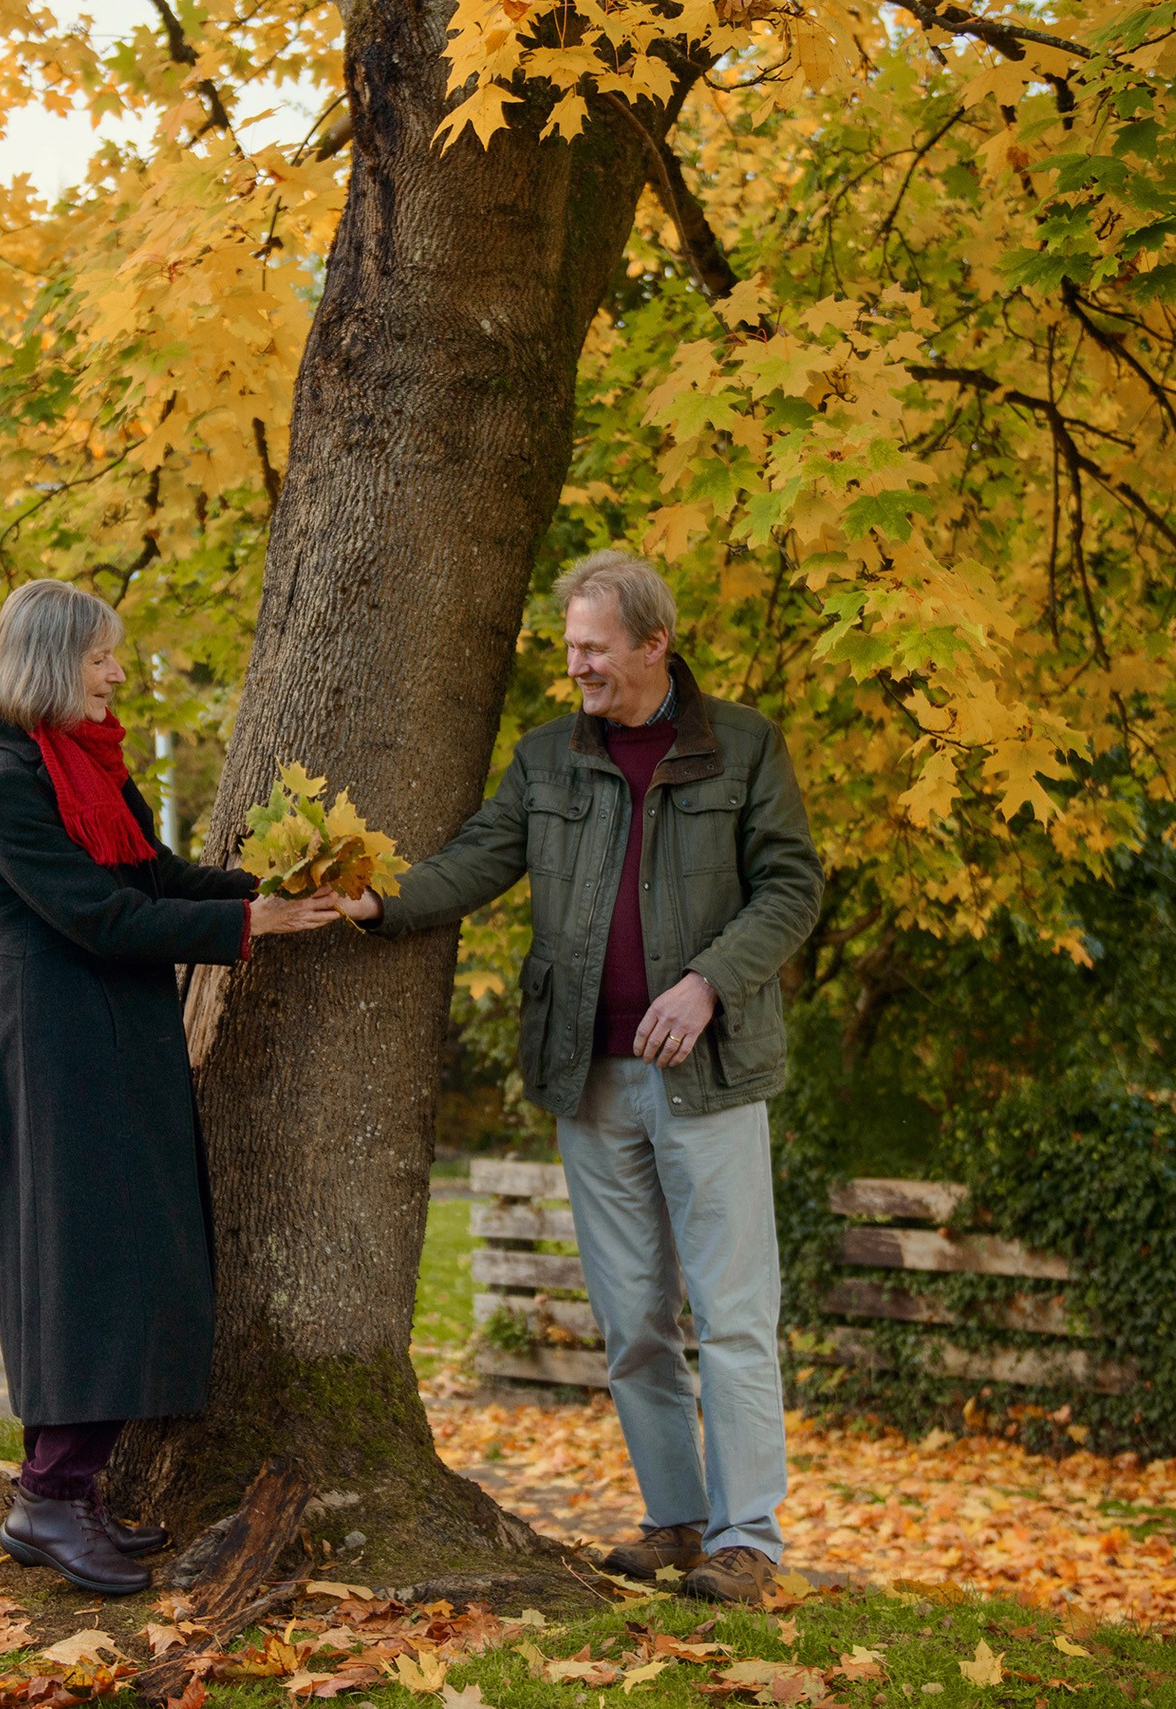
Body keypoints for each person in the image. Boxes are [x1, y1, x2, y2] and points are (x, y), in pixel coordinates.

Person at [338, 550, 822, 1605]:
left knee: (733, 1312)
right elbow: (476, 859)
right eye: (569, 648)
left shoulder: (742, 747)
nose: (577, 667)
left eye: (594, 648)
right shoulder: (548, 758)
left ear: (654, 643)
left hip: (710, 1076)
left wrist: (706, 983)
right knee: (633, 1317)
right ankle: (676, 1517)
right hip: (586, 1076)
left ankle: (751, 1541)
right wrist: (374, 902)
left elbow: (792, 887)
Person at [0, 579, 340, 1596]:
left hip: (117, 1039)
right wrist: (252, 930)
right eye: (99, 658)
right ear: (48, 660)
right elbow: (102, 918)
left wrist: (266, 893)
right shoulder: (5, 782)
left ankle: (69, 1496)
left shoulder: (80, 764)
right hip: (51, 1054)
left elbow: (152, 877)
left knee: (129, 1258)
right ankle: (46, 1493)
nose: (116, 673)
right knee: (83, 1268)